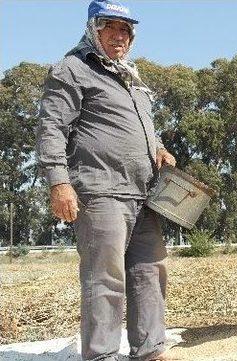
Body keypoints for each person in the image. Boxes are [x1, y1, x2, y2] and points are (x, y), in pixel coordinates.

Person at [35, 1, 176, 359]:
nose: (118, 36)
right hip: (101, 191)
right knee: (105, 280)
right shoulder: (72, 69)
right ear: (92, 30)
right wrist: (58, 181)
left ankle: (150, 350)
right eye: (109, 27)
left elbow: (139, 128)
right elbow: (52, 127)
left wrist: (158, 148)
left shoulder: (131, 76)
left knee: (149, 273)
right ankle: (102, 355)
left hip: (144, 194)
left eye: (125, 30)